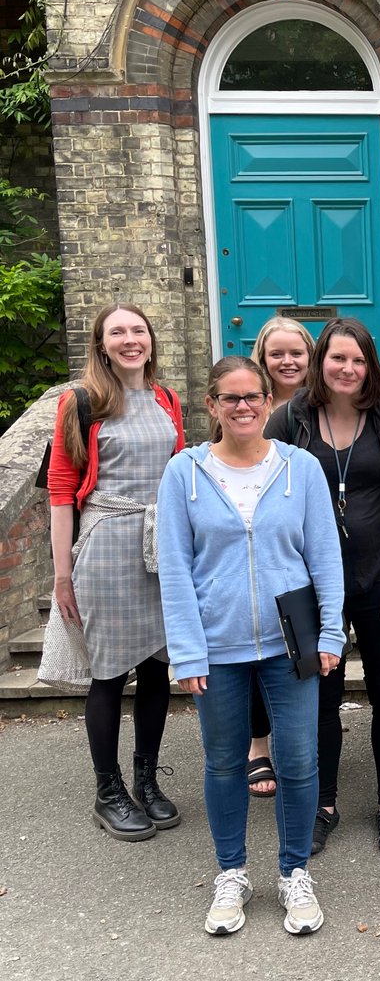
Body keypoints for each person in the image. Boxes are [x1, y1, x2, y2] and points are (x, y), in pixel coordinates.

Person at [158, 356, 344, 936]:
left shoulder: (302, 468)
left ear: (270, 401)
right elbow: (175, 569)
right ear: (211, 406)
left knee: (297, 760)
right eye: (230, 398)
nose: (243, 407)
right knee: (221, 764)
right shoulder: (184, 474)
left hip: (291, 648)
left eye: (253, 397)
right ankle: (231, 872)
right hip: (217, 649)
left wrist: (332, 631)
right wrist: (187, 651)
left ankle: (293, 872)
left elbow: (324, 558)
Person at [265, 318, 380, 855]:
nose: (348, 369)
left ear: (370, 365)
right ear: (320, 363)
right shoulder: (290, 419)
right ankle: (323, 805)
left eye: (358, 360)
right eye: (338, 359)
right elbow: (261, 491)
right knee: (320, 698)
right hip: (309, 587)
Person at [47, 303, 185, 842]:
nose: (131, 340)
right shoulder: (80, 402)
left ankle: (146, 780)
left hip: (161, 542)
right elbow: (62, 491)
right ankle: (109, 791)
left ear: (150, 339)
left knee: (156, 668)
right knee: (108, 673)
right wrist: (63, 573)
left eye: (138, 330)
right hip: (106, 543)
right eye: (118, 333)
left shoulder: (167, 399)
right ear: (101, 345)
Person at [244, 316, 318, 798]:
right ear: (262, 360)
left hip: (319, 541)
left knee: (309, 646)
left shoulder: (327, 404)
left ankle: (303, 739)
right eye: (277, 354)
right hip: (268, 548)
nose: (288, 361)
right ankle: (257, 744)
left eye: (297, 352)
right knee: (259, 641)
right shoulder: (246, 406)